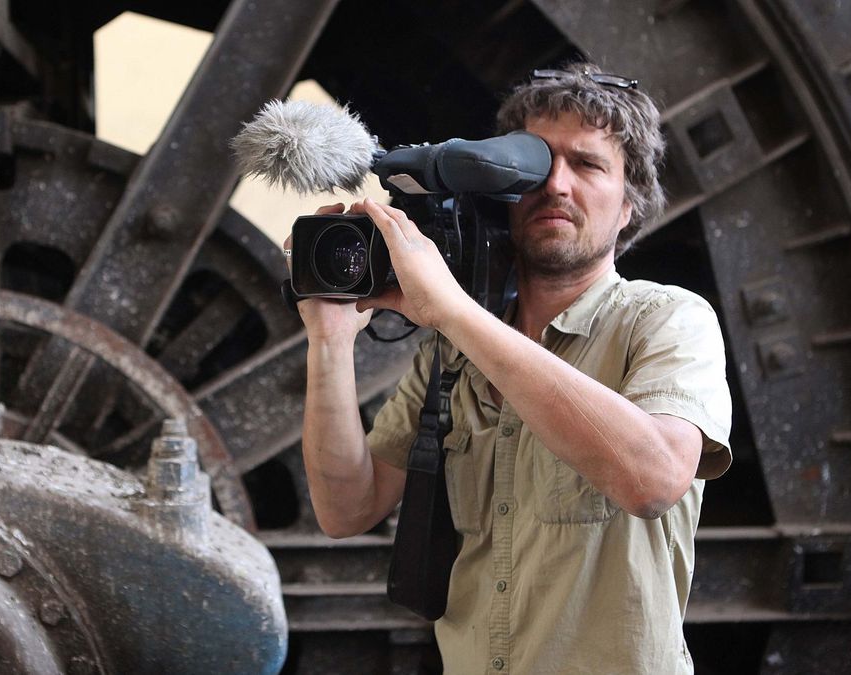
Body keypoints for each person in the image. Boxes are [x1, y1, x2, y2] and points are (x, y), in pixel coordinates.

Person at [295, 63, 732, 673]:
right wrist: (330, 339)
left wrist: (452, 311)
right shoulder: (452, 354)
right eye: (535, 163)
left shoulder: (666, 319)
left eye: (588, 165)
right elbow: (346, 510)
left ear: (629, 206)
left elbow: (653, 479)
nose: (556, 185)